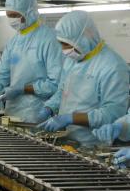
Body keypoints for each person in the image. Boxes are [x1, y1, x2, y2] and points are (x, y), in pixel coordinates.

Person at [38, 11, 129, 147]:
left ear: (83, 38)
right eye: (61, 43)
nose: (63, 49)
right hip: (66, 139)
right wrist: (50, 107)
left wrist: (71, 118)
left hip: (92, 144)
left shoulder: (112, 66)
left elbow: (113, 112)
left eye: (66, 44)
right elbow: (63, 91)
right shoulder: (73, 59)